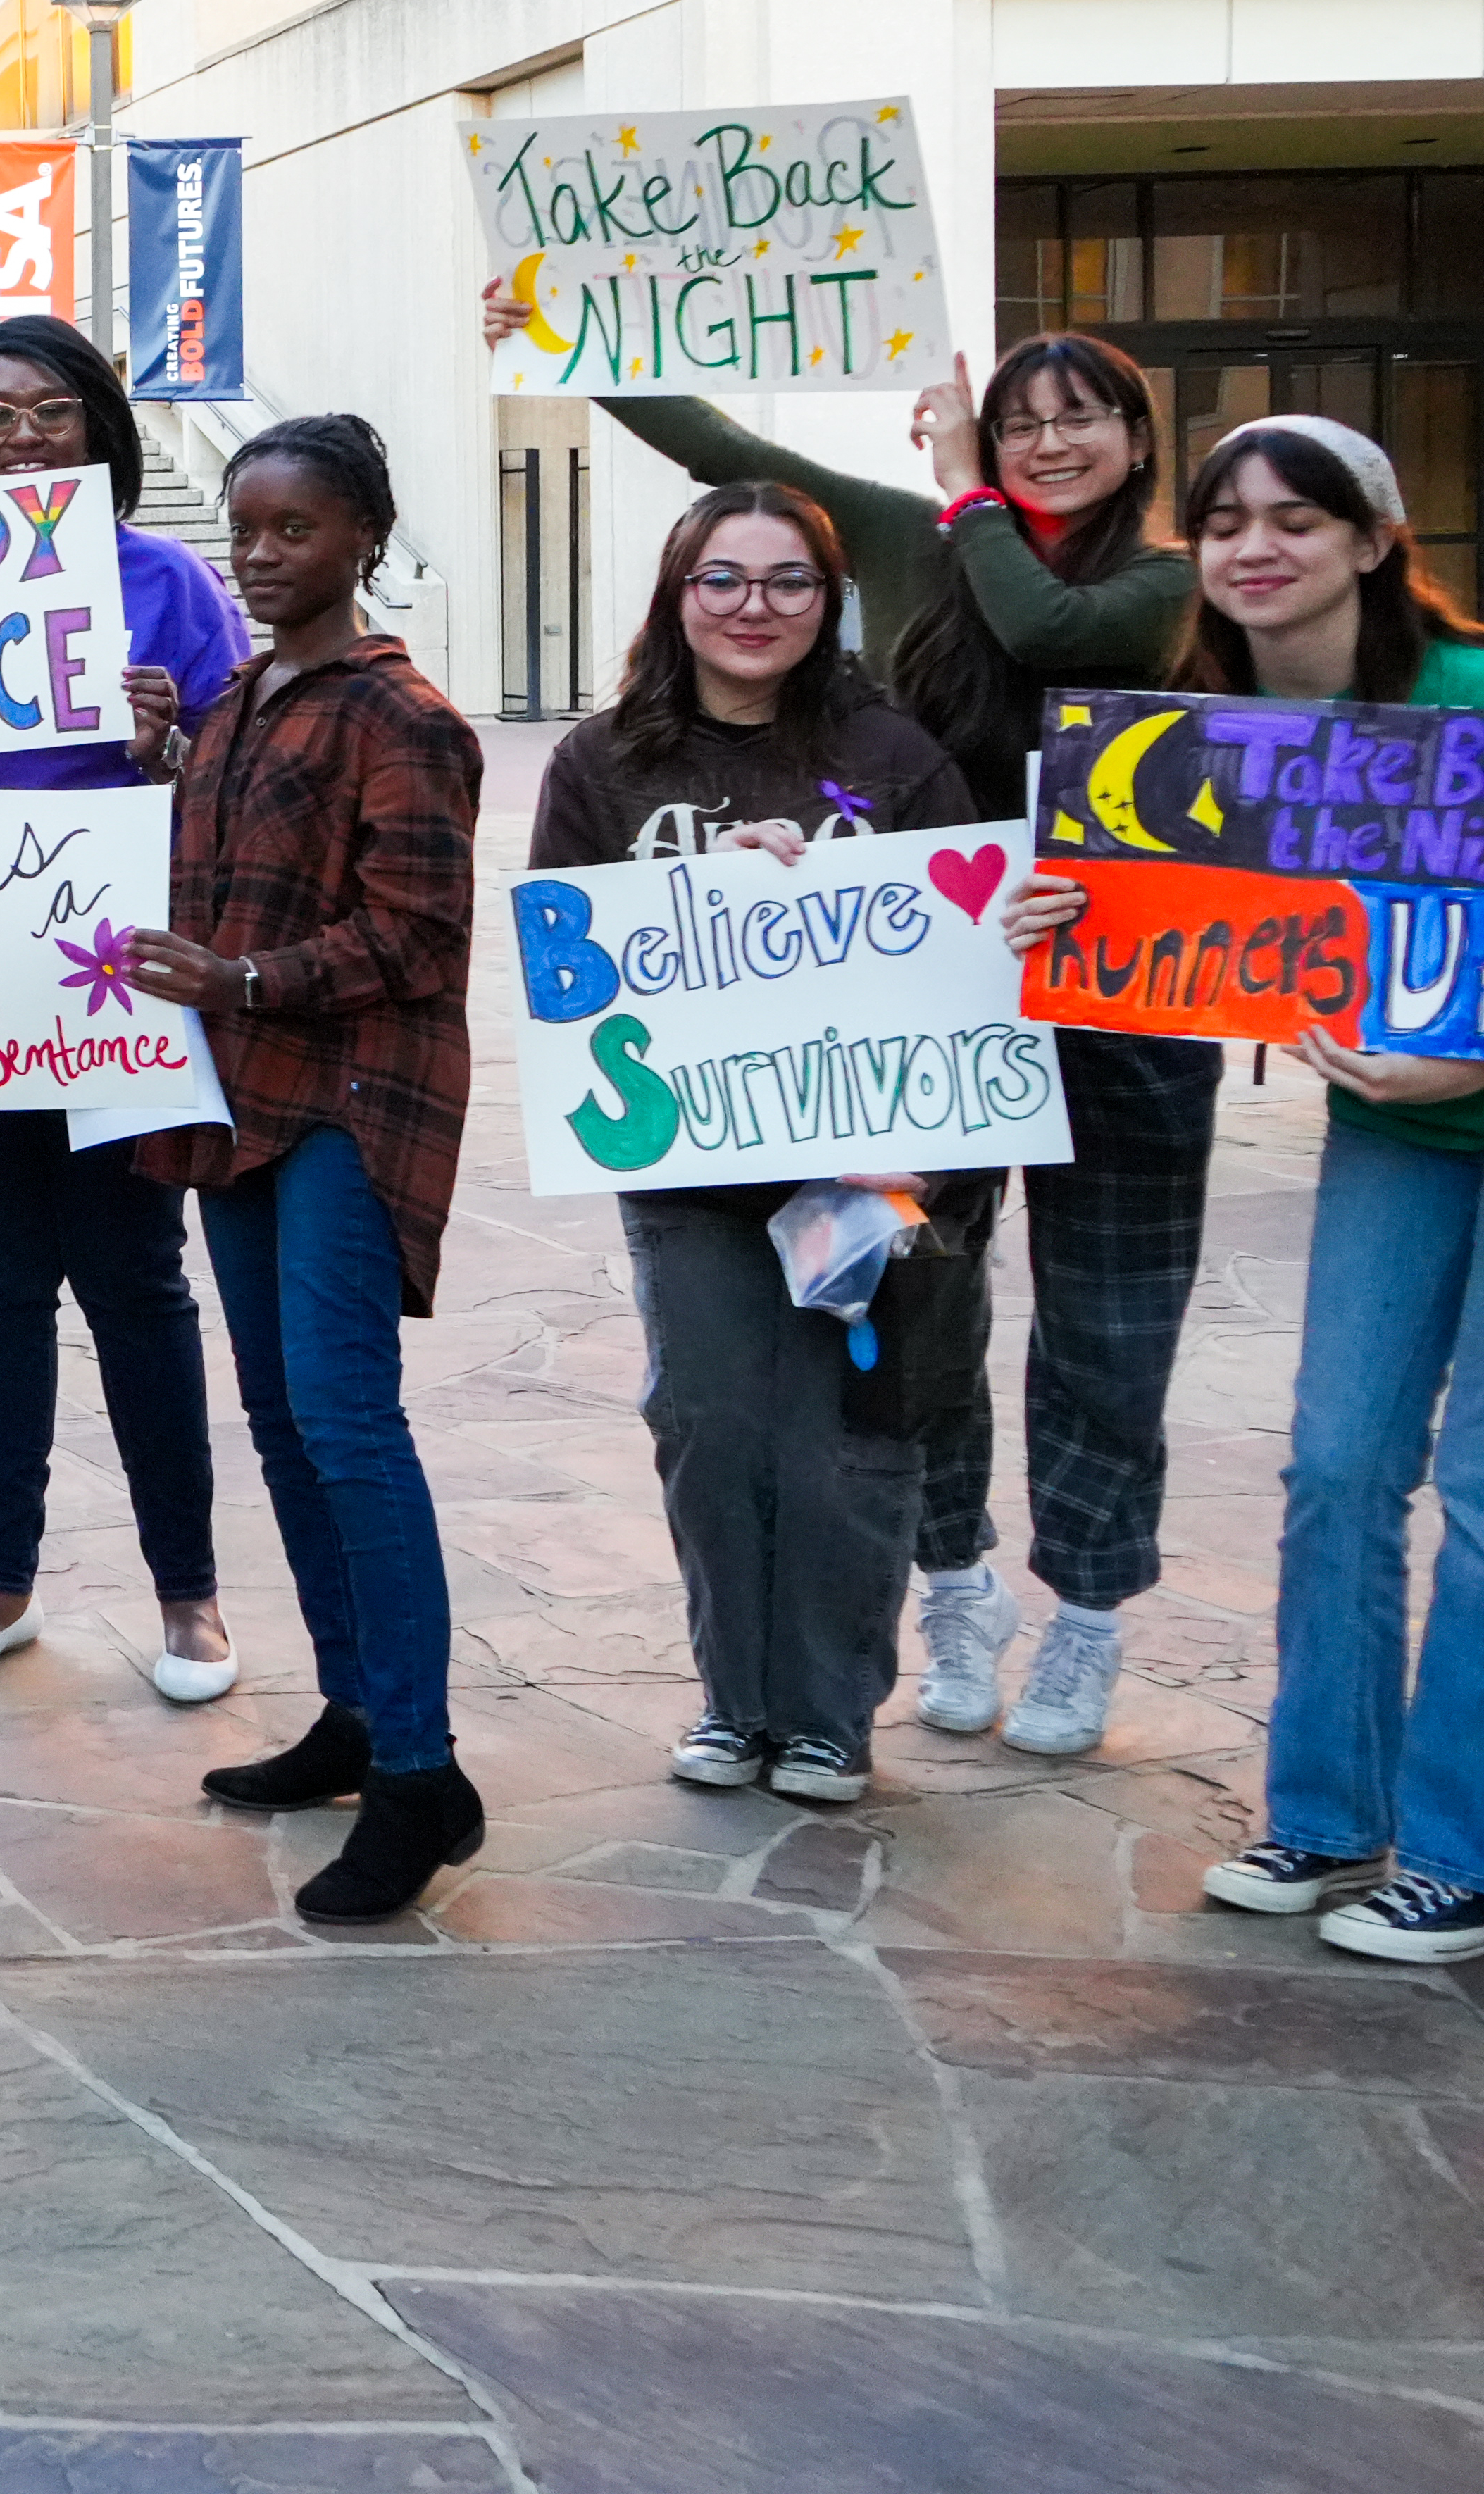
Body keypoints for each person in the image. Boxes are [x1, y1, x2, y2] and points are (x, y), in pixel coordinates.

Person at [482, 305, 1206, 1758]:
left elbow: (1051, 631)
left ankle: (1086, 1617)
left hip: (1107, 983)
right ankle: (950, 1589)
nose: (1049, 441)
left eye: (1080, 417)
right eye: (1019, 419)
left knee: (1103, 1343)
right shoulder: (880, 557)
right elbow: (723, 447)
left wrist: (966, 489)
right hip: (917, 1004)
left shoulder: (1152, 577)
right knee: (919, 1344)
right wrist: (567, 334)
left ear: (1138, 442)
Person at [528, 485, 984, 1805]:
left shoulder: (892, 757)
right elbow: (568, 968)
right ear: (676, 598)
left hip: (870, 1166)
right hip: (690, 1166)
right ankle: (736, 1703)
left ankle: (830, 1715)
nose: (752, 607)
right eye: (719, 580)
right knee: (711, 1427)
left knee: (845, 1446)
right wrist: (704, 898)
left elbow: (958, 954)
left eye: (787, 581)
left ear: (828, 601)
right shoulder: (603, 763)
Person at [1102, 420, 1484, 1962]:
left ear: (1376, 540)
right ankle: (1326, 1814)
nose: (1257, 547)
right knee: (1335, 1463)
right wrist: (1073, 904)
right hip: (1395, 1135)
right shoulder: (1214, 732)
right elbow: (1176, 938)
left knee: (1481, 1501)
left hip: (1454, 1098)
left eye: (1298, 520)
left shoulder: (1469, 701)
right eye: (1226, 521)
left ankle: (1456, 1850)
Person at [118, 416, 488, 1921]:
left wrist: (240, 977)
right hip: (238, 1104)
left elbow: (414, 936)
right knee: (279, 1420)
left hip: (344, 1100)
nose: (263, 556)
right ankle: (353, 1708)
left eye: (296, 531)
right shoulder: (237, 701)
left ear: (364, 539)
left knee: (347, 1423)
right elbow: (215, 861)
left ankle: (422, 1769)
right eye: (246, 528)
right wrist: (168, 755)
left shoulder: (404, 718)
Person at [0, 318, 256, 1701]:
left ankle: (190, 1595)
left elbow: (240, 788)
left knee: (138, 1280)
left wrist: (175, 746)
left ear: (102, 426)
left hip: (118, 979)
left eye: (52, 409)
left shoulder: (168, 584)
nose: (25, 434)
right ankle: (3, 1579)